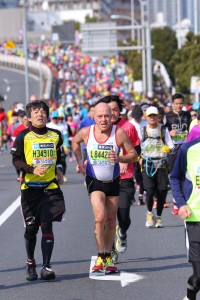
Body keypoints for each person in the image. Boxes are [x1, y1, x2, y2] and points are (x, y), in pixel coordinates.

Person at [72, 102, 137, 274]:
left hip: (114, 181)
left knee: (110, 221)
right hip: (95, 181)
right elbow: (75, 141)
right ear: (94, 116)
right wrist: (80, 161)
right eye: (100, 116)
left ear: (112, 117)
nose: (103, 119)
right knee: (100, 216)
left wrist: (119, 158)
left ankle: (108, 256)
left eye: (106, 116)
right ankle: (100, 256)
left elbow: (134, 155)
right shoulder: (88, 132)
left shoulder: (119, 133)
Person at [10, 100, 65, 281]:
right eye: (36, 112)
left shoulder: (56, 135)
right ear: (29, 117)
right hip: (30, 189)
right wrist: (31, 169)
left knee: (47, 225)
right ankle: (31, 263)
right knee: (32, 229)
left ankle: (47, 267)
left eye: (43, 111)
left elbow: (59, 155)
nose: (40, 114)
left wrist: (59, 170)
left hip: (50, 187)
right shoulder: (23, 136)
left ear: (47, 115)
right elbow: (16, 160)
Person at [98, 95, 140, 263]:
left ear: (120, 110)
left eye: (115, 109)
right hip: (104, 179)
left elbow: (137, 152)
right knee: (107, 216)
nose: (112, 113)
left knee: (123, 214)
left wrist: (123, 159)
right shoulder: (98, 129)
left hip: (125, 178)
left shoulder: (128, 127)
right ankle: (111, 251)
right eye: (109, 110)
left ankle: (122, 232)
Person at [170, 136, 200, 300]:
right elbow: (175, 177)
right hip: (195, 219)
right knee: (198, 279)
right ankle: (190, 296)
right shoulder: (188, 149)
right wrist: (181, 203)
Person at [140, 106, 174, 228]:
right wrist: (139, 157)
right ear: (146, 117)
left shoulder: (163, 130)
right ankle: (149, 213)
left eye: (154, 115)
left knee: (161, 192)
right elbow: (137, 147)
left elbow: (171, 145)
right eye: (150, 116)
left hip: (161, 164)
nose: (152, 118)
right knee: (149, 190)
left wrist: (168, 148)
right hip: (148, 165)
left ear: (158, 116)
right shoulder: (142, 131)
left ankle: (158, 217)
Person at [165, 93, 191, 215]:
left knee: (185, 174)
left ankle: (182, 198)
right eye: (177, 104)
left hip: (185, 148)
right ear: (172, 104)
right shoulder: (168, 116)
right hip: (173, 150)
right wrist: (169, 133)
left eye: (181, 103)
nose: (179, 106)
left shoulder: (187, 115)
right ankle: (176, 200)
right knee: (174, 175)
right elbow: (162, 132)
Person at [47, 110, 69, 183]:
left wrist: (66, 147)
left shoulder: (62, 126)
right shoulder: (48, 126)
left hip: (61, 146)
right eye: (53, 118)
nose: (55, 119)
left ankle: (63, 174)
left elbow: (65, 137)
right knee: (52, 161)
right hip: (50, 147)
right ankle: (53, 175)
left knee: (62, 161)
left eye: (56, 118)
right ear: (51, 118)